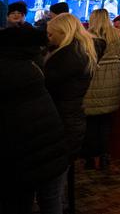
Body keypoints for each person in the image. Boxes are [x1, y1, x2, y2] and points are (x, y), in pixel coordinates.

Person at [0, 25, 70, 214]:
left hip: (24, 154)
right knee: (50, 200)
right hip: (52, 147)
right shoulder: (35, 64)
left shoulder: (9, 68)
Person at [44, 14, 96, 213]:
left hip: (63, 120)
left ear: (63, 33)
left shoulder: (67, 56)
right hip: (72, 118)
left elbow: (48, 85)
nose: (48, 38)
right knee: (58, 180)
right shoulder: (80, 50)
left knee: (53, 186)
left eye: (51, 34)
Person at [82, 9, 120, 171]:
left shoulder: (86, 36)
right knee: (106, 122)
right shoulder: (117, 34)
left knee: (90, 122)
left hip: (93, 78)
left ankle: (89, 158)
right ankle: (104, 157)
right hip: (113, 79)